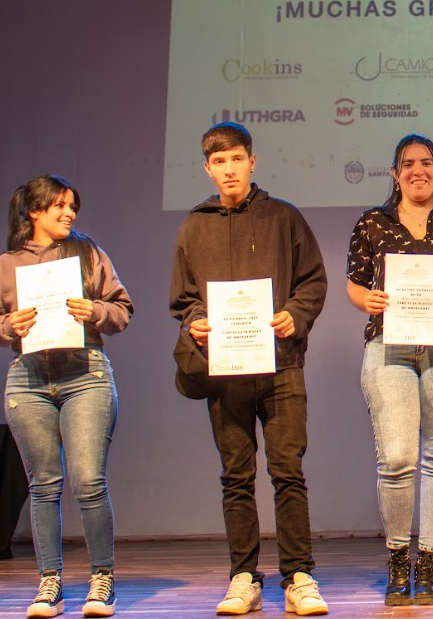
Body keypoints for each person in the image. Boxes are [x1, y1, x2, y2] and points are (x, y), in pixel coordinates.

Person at [169, 122, 329, 615]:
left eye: (237, 159)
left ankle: (298, 576)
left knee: (288, 472)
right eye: (219, 162)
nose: (229, 169)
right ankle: (243, 577)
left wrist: (295, 314)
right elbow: (184, 298)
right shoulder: (195, 226)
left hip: (281, 367)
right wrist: (196, 321)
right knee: (236, 477)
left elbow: (313, 281)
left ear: (252, 161)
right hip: (226, 369)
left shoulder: (284, 217)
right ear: (207, 169)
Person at [0, 176, 132, 617]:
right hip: (28, 378)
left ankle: (102, 579)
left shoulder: (88, 253)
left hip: (84, 372)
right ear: (34, 211)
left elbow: (123, 309)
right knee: (44, 485)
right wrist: (8, 326)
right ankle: (50, 582)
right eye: (59, 206)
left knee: (87, 481)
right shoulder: (7, 264)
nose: (69, 214)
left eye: (72, 207)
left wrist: (96, 310)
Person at [346, 134, 433, 606]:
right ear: (395, 173)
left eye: (426, 163)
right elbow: (355, 285)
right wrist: (368, 299)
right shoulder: (372, 222)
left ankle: (429, 561)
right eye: (407, 164)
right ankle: (398, 557)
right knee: (397, 458)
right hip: (389, 342)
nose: (417, 171)